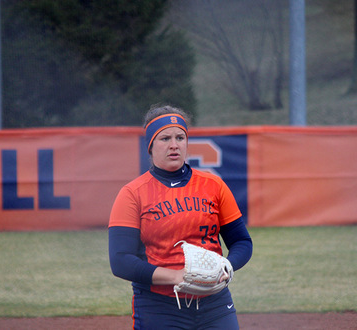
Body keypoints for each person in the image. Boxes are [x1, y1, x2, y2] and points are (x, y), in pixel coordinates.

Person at [108, 104, 253, 329]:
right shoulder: (132, 194)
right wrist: (176, 277)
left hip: (214, 303)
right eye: (164, 138)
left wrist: (226, 267)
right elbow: (120, 261)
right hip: (159, 306)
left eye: (180, 137)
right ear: (150, 146)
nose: (174, 145)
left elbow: (242, 242)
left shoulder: (213, 185)